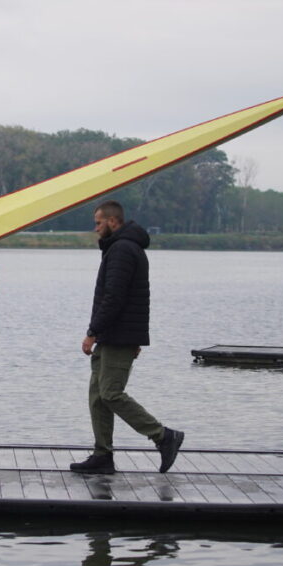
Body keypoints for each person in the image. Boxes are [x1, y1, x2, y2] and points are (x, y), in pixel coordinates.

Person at [70, 200, 184, 474]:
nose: (95, 228)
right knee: (98, 396)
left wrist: (92, 332)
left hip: (116, 335)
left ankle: (163, 436)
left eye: (98, 222)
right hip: (115, 334)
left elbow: (115, 298)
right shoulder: (121, 247)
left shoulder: (121, 249)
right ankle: (103, 455)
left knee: (110, 393)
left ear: (113, 221)